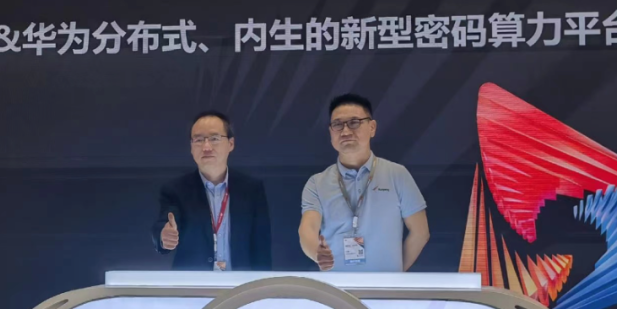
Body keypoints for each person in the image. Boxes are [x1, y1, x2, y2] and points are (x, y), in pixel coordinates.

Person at [299, 94, 429, 272]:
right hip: (335, 287)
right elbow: (308, 228)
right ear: (331, 132)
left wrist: (395, 274)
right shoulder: (316, 183)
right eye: (337, 124)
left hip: (386, 286)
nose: (345, 132)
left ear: (372, 127)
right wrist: (317, 253)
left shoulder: (397, 175)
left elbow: (420, 232)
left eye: (354, 122)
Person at [152, 111, 272, 270]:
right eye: (198, 140)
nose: (206, 147)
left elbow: (262, 248)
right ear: (191, 147)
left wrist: (262, 284)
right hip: (193, 283)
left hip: (240, 283)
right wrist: (164, 236)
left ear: (231, 144)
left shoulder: (251, 189)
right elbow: (165, 222)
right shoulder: (176, 190)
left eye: (214, 139)